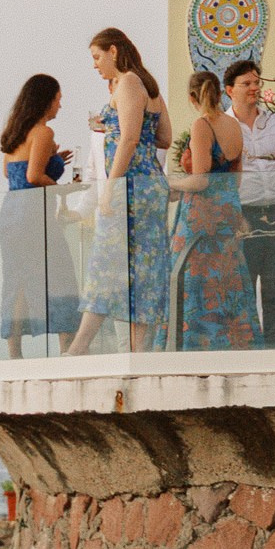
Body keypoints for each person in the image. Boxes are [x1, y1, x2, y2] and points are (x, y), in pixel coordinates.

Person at [66, 31, 173, 353]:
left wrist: (109, 186)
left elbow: (128, 138)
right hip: (151, 185)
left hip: (130, 188)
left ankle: (80, 345)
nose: (96, 66)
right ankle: (139, 351)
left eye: (97, 57)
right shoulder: (148, 85)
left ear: (114, 51)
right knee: (146, 266)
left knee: (106, 262)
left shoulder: (127, 82)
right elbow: (165, 137)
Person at [171, 68, 258, 350]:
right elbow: (238, 175)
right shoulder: (234, 125)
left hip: (202, 214)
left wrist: (173, 182)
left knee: (194, 280)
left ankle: (199, 346)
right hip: (229, 209)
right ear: (220, 93)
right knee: (228, 280)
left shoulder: (201, 126)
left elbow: (200, 179)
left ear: (192, 97)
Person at [0, 76, 78, 357]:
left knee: (16, 279)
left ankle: (14, 352)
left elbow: (11, 173)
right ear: (45, 101)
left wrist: (52, 158)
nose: (60, 105)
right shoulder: (43, 132)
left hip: (10, 212)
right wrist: (63, 189)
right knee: (60, 275)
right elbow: (34, 176)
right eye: (58, 99)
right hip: (33, 215)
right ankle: (68, 346)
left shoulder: (15, 133)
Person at [228, 61, 275, 348]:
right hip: (243, 217)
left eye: (256, 82)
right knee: (243, 290)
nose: (254, 88)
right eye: (246, 83)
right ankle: (248, 356)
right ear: (230, 90)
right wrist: (234, 215)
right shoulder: (224, 126)